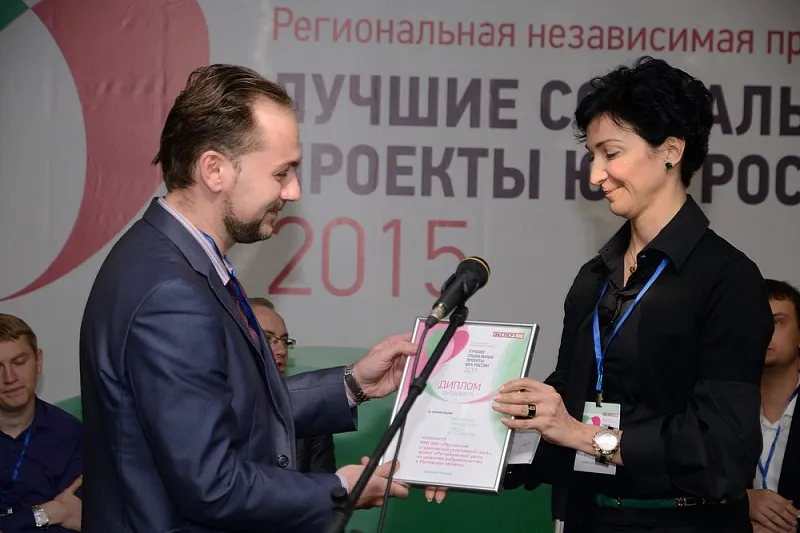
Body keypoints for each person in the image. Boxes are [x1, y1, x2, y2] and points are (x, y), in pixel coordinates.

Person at [79, 64, 419, 533]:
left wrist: (352, 383)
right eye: (282, 172)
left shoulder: (172, 258)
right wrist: (339, 489)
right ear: (214, 169)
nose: (294, 191)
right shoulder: (172, 292)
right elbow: (212, 486)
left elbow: (233, 408)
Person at [493, 56, 774, 532]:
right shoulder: (593, 277)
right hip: (590, 518)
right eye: (592, 155)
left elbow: (722, 448)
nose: (595, 175)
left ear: (671, 150)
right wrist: (475, 457)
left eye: (611, 153)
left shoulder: (728, 279)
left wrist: (584, 437)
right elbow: (566, 404)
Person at [0, 314, 83, 532]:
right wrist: (47, 513)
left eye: (19, 362)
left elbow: (75, 518)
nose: (10, 378)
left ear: (38, 361)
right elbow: (61, 514)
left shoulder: (72, 435)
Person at [248, 296, 337, 474]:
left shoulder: (310, 414)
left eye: (284, 341)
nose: (282, 351)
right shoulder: (214, 405)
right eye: (268, 338)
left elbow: (324, 485)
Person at [747, 280, 800, 533]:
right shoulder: (717, 408)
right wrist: (742, 502)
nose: (764, 331)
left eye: (777, 322)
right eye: (754, 322)